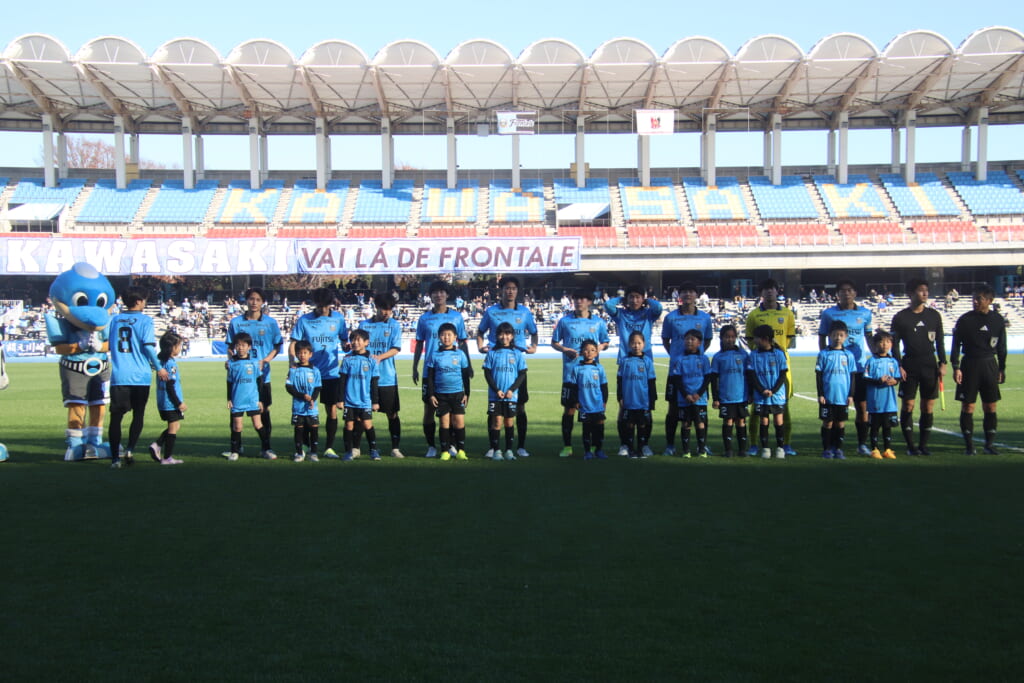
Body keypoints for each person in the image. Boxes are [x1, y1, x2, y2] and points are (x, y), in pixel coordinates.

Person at [476, 277, 538, 458]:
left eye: (513, 288)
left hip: (516, 364)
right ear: (501, 290)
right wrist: (480, 347)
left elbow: (534, 332)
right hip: (496, 363)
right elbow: (480, 331)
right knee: (494, 407)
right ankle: (492, 447)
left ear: (517, 291)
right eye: (507, 288)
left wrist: (534, 347)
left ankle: (520, 446)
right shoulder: (491, 311)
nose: (510, 291)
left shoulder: (524, 312)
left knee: (520, 407)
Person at [108, 286, 169, 469]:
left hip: (119, 375)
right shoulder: (145, 320)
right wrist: (159, 367)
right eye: (144, 300)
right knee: (138, 414)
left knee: (116, 418)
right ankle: (129, 450)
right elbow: (148, 346)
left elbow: (110, 344)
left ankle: (115, 459)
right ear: (138, 301)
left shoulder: (115, 320)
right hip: (140, 375)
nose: (145, 303)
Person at [413, 281, 471, 458]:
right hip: (430, 371)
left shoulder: (456, 317)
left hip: (452, 371)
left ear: (447, 294)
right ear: (430, 296)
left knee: (453, 411)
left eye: (442, 292)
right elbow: (419, 343)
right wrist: (415, 366)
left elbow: (462, 342)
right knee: (429, 409)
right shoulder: (424, 318)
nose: (439, 295)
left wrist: (468, 364)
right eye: (435, 292)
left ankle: (451, 444)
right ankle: (431, 446)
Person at [289, 288, 348, 458]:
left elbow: (344, 341)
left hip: (331, 373)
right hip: (308, 372)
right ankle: (306, 445)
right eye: (320, 305)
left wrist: (346, 346)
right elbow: (293, 344)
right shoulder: (304, 320)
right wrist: (292, 364)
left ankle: (329, 447)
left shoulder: (338, 318)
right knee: (306, 408)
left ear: (331, 303)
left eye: (326, 305)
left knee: (332, 410)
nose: (323, 309)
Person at [890, 278, 946, 455]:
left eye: (926, 290)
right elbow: (894, 344)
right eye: (921, 290)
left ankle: (923, 445)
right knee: (908, 405)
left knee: (927, 406)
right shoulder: (900, 317)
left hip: (929, 364)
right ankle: (910, 446)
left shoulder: (934, 315)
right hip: (910, 364)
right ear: (910, 293)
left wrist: (943, 362)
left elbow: (940, 341)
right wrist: (898, 365)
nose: (925, 293)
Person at [604, 286, 663, 456]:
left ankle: (644, 444)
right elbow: (608, 306)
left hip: (645, 361)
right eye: (631, 297)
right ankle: (624, 444)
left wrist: (646, 300)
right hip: (626, 361)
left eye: (638, 297)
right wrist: (622, 299)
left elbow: (658, 308)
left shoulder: (648, 314)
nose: (634, 300)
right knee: (624, 407)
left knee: (646, 407)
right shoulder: (621, 314)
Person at [552, 289, 610, 458]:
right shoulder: (565, 321)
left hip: (591, 375)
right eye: (576, 298)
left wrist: (598, 348)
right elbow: (554, 342)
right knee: (569, 410)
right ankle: (567, 446)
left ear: (589, 302)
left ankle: (595, 447)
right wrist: (565, 349)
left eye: (583, 298)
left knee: (594, 413)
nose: (579, 301)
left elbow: (606, 342)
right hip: (571, 373)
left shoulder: (598, 322)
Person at [818, 279, 873, 455]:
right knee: (834, 410)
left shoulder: (865, 313)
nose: (846, 293)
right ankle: (833, 447)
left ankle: (862, 444)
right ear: (837, 294)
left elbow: (869, 337)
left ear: (855, 293)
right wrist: (825, 358)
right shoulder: (829, 314)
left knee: (862, 408)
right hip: (838, 372)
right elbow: (822, 336)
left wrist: (876, 358)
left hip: (859, 368)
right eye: (842, 290)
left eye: (849, 290)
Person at [951, 285, 1007, 455]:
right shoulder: (965, 320)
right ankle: (969, 446)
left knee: (990, 406)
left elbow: (1002, 346)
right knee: (968, 406)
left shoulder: (997, 320)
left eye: (979, 298)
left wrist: (1002, 368)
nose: (974, 301)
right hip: (970, 365)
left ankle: (989, 445)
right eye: (973, 298)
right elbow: (955, 345)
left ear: (989, 301)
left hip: (990, 364)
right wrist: (956, 366)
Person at [227, 288, 283, 459]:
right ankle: (236, 447)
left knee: (263, 410)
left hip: (262, 376)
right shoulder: (236, 322)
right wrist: (232, 361)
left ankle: (266, 448)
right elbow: (230, 346)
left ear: (263, 302)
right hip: (240, 378)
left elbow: (277, 345)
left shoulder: (271, 323)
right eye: (251, 299)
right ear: (246, 301)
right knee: (235, 413)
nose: (254, 302)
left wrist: (265, 361)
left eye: (258, 299)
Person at [744, 279, 797, 456]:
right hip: (760, 365)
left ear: (777, 291)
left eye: (772, 289)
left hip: (781, 365)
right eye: (765, 289)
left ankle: (786, 444)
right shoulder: (753, 315)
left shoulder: (787, 313)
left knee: (784, 406)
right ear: (761, 293)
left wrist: (776, 351)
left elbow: (789, 340)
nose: (769, 292)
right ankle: (754, 444)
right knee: (757, 408)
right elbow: (750, 340)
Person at [661, 282, 713, 456]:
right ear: (679, 295)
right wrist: (676, 356)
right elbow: (665, 340)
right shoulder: (670, 317)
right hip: (676, 371)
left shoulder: (705, 318)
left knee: (700, 409)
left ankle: (702, 445)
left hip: (698, 372)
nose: (688, 294)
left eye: (691, 291)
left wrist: (696, 356)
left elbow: (707, 340)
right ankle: (670, 445)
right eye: (684, 292)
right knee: (673, 408)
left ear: (696, 295)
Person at [360, 293, 405, 458]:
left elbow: (396, 348)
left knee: (392, 413)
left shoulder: (394, 325)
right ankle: (367, 447)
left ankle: (395, 448)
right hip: (365, 378)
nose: (387, 312)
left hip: (387, 378)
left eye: (390, 309)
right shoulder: (364, 325)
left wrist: (379, 357)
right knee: (363, 414)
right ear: (376, 307)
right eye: (383, 309)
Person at [482, 322, 527, 461]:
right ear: (497, 336)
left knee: (509, 422)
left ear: (512, 336)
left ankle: (508, 451)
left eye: (507, 334)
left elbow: (522, 374)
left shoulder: (517, 353)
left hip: (511, 395)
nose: (504, 337)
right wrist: (496, 390)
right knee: (496, 422)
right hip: (495, 395)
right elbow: (487, 373)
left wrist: (512, 390)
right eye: (501, 334)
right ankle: (496, 451)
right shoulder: (492, 353)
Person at [426, 322, 470, 460]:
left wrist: (467, 393)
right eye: (443, 335)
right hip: (441, 395)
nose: (446, 337)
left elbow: (465, 376)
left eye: (449, 335)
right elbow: (430, 377)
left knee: (459, 423)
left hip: (457, 394)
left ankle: (461, 450)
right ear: (439, 337)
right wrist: (431, 394)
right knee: (444, 423)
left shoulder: (460, 354)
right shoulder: (434, 355)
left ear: (455, 337)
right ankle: (445, 451)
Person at [225, 332, 270, 461]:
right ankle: (235, 451)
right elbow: (229, 382)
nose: (240, 348)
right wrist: (229, 399)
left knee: (258, 425)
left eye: (243, 345)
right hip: (237, 399)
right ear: (235, 347)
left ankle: (267, 449)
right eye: (238, 345)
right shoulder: (231, 364)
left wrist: (261, 400)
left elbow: (260, 382)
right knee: (237, 427)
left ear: (249, 347)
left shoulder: (254, 363)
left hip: (252, 399)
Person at [746, 325, 788, 460]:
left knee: (778, 420)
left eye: (756, 338)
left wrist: (773, 390)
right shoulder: (753, 355)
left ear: (765, 339)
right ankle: (765, 448)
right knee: (764, 420)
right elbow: (752, 375)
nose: (754, 341)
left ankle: (780, 448)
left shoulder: (779, 354)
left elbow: (782, 375)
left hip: (777, 395)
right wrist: (761, 390)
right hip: (761, 395)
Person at [815, 321, 856, 460]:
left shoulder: (849, 355)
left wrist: (851, 395)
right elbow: (819, 375)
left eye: (841, 335)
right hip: (827, 396)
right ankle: (826, 449)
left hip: (843, 396)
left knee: (840, 423)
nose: (838, 338)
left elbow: (852, 376)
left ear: (846, 336)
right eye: (835, 335)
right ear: (829, 336)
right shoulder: (823, 354)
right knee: (828, 422)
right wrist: (820, 394)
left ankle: (838, 449)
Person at [667, 330, 711, 458]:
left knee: (700, 423)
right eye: (687, 339)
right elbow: (677, 379)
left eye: (692, 339)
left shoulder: (704, 359)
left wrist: (698, 394)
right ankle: (686, 451)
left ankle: (702, 450)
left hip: (700, 399)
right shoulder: (680, 359)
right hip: (684, 398)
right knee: (686, 423)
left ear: (699, 343)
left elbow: (707, 378)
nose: (689, 341)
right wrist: (686, 394)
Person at [338, 328, 381, 461]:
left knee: (367, 424)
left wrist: (375, 401)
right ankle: (348, 452)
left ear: (366, 342)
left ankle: (373, 450)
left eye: (358, 340)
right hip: (349, 400)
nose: (355, 342)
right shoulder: (347, 359)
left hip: (365, 401)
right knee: (349, 425)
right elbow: (342, 381)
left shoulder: (372, 360)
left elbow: (374, 383)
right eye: (352, 340)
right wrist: (340, 399)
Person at [709, 324, 749, 458]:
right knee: (728, 421)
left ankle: (742, 450)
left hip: (741, 395)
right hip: (726, 396)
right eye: (727, 337)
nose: (730, 339)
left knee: (741, 421)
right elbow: (714, 379)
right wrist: (716, 398)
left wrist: (750, 394)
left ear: (736, 338)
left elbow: (749, 375)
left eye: (732, 337)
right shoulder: (718, 357)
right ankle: (728, 450)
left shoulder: (743, 354)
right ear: (721, 338)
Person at [616, 330, 657, 458]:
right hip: (629, 399)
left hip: (643, 399)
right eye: (633, 343)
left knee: (643, 423)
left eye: (639, 343)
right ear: (629, 344)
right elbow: (619, 380)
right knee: (629, 423)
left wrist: (652, 400)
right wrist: (620, 396)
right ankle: (628, 447)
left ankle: (642, 446)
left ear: (644, 344)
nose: (636, 346)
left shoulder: (647, 361)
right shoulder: (624, 361)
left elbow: (651, 382)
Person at [147, 331, 185, 466]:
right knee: (173, 427)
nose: (180, 348)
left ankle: (157, 445)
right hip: (170, 402)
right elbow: (170, 386)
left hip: (162, 400)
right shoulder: (170, 364)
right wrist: (178, 403)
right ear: (172, 347)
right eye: (179, 345)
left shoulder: (160, 362)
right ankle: (167, 457)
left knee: (175, 425)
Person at [864, 329, 900, 459]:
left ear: (891, 344)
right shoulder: (871, 361)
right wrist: (879, 381)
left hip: (889, 401)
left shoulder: (893, 361)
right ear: (875, 344)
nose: (885, 345)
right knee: (875, 426)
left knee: (887, 425)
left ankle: (887, 449)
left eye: (888, 342)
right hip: (875, 400)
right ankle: (875, 449)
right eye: (881, 342)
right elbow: (866, 378)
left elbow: (897, 377)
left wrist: (895, 381)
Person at [285, 340, 321, 462]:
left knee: (314, 428)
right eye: (299, 353)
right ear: (296, 354)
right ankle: (299, 453)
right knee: (299, 429)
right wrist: (302, 396)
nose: (302, 355)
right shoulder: (293, 370)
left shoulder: (315, 370)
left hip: (312, 407)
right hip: (298, 406)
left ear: (310, 354)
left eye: (305, 353)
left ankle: (313, 453)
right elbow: (289, 387)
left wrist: (312, 399)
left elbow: (317, 387)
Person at [573, 339, 609, 460]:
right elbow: (574, 387)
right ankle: (587, 451)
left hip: (597, 404)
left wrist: (604, 401)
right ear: (581, 352)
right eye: (586, 350)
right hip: (584, 404)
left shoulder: (599, 368)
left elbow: (604, 386)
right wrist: (575, 401)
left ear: (596, 353)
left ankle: (599, 450)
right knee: (587, 428)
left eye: (593, 350)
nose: (589, 352)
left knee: (599, 427)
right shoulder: (577, 368)